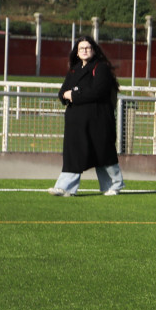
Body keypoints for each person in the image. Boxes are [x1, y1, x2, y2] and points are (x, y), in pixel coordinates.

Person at [49, 36, 125, 197]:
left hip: (98, 121)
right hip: (76, 123)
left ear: (94, 50)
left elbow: (98, 91)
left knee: (103, 153)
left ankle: (114, 184)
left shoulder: (101, 68)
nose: (84, 50)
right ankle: (65, 188)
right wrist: (69, 95)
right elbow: (62, 93)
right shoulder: (74, 70)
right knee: (73, 155)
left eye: (88, 48)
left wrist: (75, 94)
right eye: (81, 48)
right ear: (77, 52)